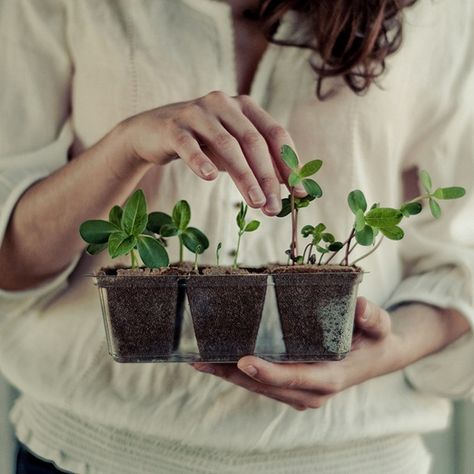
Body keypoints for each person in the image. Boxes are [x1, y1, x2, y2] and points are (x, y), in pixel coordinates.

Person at [0, 0, 473, 473]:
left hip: (353, 452)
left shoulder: (441, 12)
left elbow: (462, 256)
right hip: (86, 449)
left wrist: (387, 350)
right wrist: (127, 145)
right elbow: (11, 263)